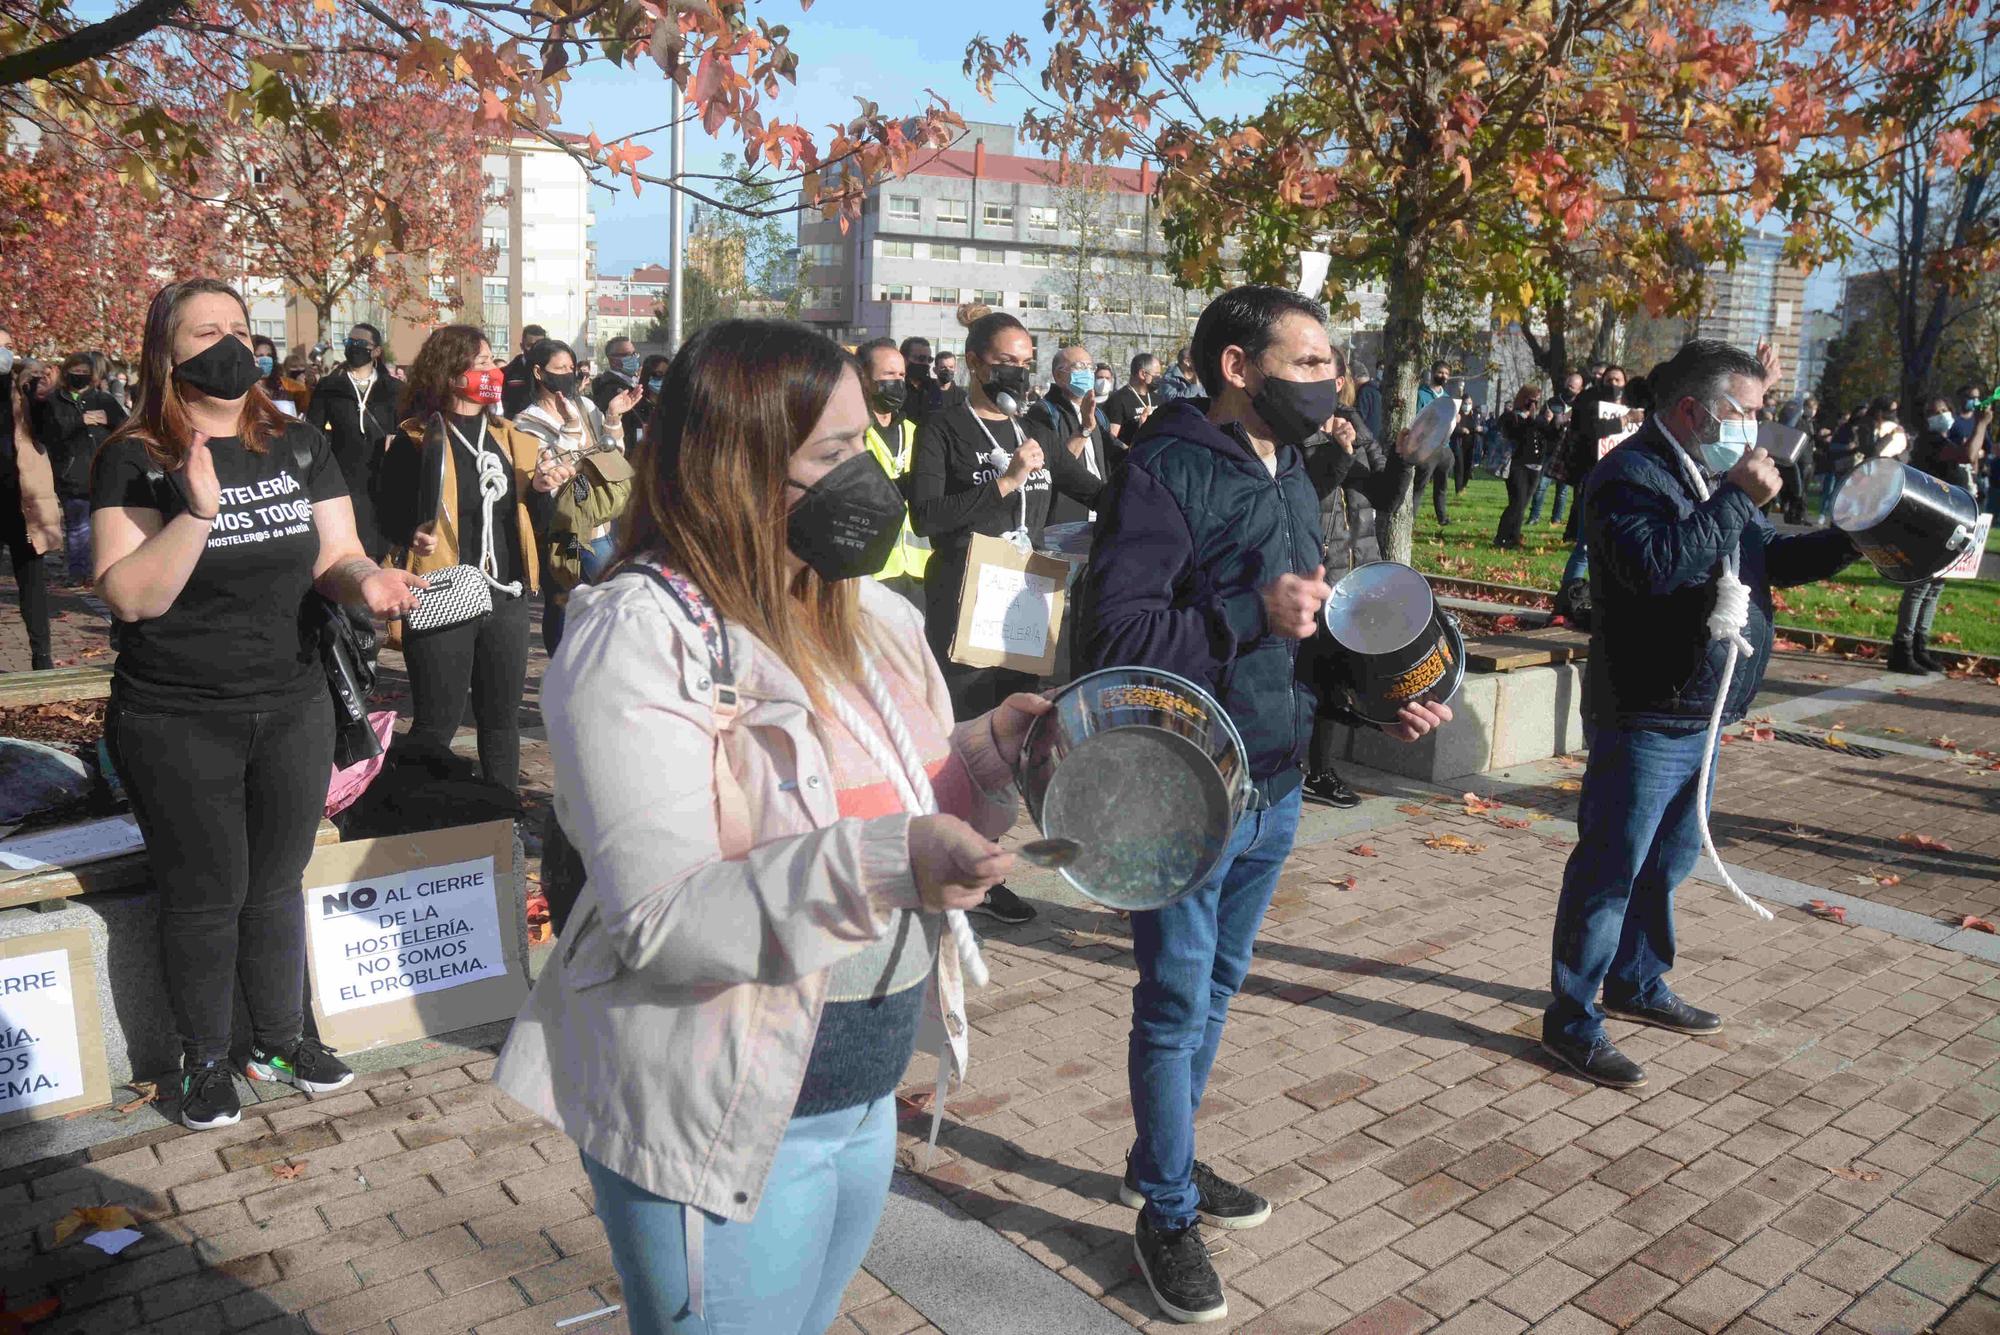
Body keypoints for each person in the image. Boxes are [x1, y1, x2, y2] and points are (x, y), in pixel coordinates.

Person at [491, 318, 1048, 1335]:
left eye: (866, 444)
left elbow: (902, 802)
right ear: (737, 468)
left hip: (861, 1089)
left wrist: (983, 761)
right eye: (834, 455)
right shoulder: (640, 635)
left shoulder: (867, 612)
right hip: (725, 1115)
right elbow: (662, 915)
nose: (869, 477)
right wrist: (894, 862)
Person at [1082, 285, 1448, 1324]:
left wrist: (1382, 700)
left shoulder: (1289, 465)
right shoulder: (1165, 466)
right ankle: (1163, 1207)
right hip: (1180, 786)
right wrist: (1249, 610)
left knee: (1218, 987)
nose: (1330, 381)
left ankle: (1170, 1163)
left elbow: (1311, 631)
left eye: (1330, 364)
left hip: (1277, 777)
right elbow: (1117, 640)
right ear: (1238, 368)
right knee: (1172, 998)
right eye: (1308, 363)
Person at [91, 278, 428, 1129]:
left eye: (240, 326)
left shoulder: (299, 440)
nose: (230, 343)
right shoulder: (134, 453)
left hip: (290, 701)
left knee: (277, 883)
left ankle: (280, 1037)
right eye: (206, 330)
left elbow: (337, 554)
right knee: (204, 892)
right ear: (165, 352)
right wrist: (196, 515)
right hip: (176, 714)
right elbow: (131, 597)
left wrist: (370, 581)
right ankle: (203, 1059)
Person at [1543, 339, 1858, 1090]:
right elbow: (1656, 568)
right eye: (1745, 413)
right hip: (1646, 714)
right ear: (1692, 411)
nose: (1754, 428)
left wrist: (1852, 541)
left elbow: (1762, 560)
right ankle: (1572, 1017)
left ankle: (1637, 979)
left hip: (1703, 715)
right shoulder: (1628, 475)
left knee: (1669, 860)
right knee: (1611, 870)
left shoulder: (1711, 473)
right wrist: (1737, 498)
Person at [910, 309, 1101, 927]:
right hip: (967, 604)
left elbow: (1097, 486)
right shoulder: (943, 427)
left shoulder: (1035, 425)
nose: (1015, 373)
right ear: (972, 362)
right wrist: (1007, 479)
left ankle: (987, 871)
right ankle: (945, 861)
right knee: (966, 738)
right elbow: (929, 518)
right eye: (1003, 363)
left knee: (1012, 743)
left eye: (1024, 362)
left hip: (1026, 601)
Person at [379, 325, 574, 792]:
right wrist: (414, 535)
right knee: (436, 723)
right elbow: (386, 515)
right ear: (450, 373)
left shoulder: (513, 440)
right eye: (482, 362)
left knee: (501, 721)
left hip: (505, 596)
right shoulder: (416, 440)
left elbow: (537, 522)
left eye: (492, 360)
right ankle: (427, 828)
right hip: (442, 592)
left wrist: (545, 491)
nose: (493, 370)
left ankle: (500, 821)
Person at [514, 339, 635, 654]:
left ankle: (589, 663)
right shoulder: (527, 422)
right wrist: (569, 429)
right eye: (560, 369)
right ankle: (563, 665)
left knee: (596, 592)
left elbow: (613, 454)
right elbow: (553, 476)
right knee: (565, 594)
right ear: (539, 373)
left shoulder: (585, 406)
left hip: (601, 521)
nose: (568, 375)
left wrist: (612, 418)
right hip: (564, 527)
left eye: (571, 368)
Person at [1299, 343, 1376, 810]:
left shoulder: (1353, 419)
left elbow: (1381, 487)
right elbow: (1309, 490)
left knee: (1333, 675)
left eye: (1333, 372)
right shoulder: (1296, 428)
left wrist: (1412, 457)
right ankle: (1310, 768)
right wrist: (1336, 449)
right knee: (1313, 673)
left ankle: (1321, 768)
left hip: (1357, 563)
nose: (1328, 381)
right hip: (1318, 567)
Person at [1891, 397, 1986, 674]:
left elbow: (1972, 462)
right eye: (1934, 412)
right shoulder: (1929, 442)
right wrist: (1981, 424)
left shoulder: (1950, 440)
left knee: (1935, 588)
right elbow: (1968, 456)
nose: (1941, 415)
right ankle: (1903, 648)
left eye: (1944, 410)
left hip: (1951, 520)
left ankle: (1921, 646)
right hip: (1930, 522)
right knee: (1920, 585)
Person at [30, 350, 127, 584]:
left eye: (84, 372)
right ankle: (79, 573)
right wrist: (79, 421)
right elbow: (47, 433)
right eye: (75, 371)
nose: (79, 376)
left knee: (104, 525)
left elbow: (125, 428)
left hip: (103, 472)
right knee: (77, 526)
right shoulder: (55, 401)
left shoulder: (104, 399)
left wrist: (109, 420)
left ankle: (105, 569)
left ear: (93, 375)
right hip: (70, 473)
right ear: (66, 373)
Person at [303, 322, 399, 558]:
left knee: (382, 544)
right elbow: (313, 432)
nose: (353, 347)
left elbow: (408, 427)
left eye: (360, 343)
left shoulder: (394, 389)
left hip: (385, 477)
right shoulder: (330, 387)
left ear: (376, 351)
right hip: (344, 476)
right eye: (350, 342)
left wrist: (398, 440)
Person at [854, 339, 930, 608]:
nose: (897, 382)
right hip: (869, 572)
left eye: (901, 375)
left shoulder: (915, 431)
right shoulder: (851, 433)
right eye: (888, 375)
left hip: (918, 572)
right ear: (864, 378)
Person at [2, 342, 59, 669]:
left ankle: (42, 657)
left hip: (25, 504)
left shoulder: (29, 395)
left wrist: (40, 400)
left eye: (7, 347)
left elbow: (50, 434)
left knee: (33, 584)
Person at [1029, 345, 1116, 525]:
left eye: (1090, 367)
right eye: (1079, 367)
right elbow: (1053, 467)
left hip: (1100, 509)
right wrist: (1084, 429)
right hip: (1064, 517)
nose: (1087, 373)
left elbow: (1113, 453)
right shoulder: (1044, 412)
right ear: (1058, 375)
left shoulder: (1098, 414)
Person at [1495, 385, 1553, 548]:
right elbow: (1516, 434)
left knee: (1523, 503)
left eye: (1536, 400)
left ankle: (1514, 536)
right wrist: (1530, 418)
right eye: (1530, 399)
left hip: (1536, 466)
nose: (1533, 403)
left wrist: (1551, 421)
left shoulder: (1539, 418)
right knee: (1517, 501)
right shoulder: (1511, 417)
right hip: (1517, 464)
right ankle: (1503, 536)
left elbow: (1549, 436)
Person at [590, 335, 649, 448]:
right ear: (612, 359)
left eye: (634, 353)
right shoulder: (609, 388)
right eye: (628, 355)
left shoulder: (631, 382)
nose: (634, 358)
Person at [1104, 353, 1161, 442]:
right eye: (1156, 374)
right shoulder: (1118, 400)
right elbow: (1111, 439)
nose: (1159, 378)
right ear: (1143, 374)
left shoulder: (1158, 399)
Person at [500, 323, 548, 417]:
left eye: (538, 345)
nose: (534, 349)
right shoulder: (506, 373)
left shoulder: (550, 373)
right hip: (514, 425)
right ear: (522, 346)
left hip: (542, 425)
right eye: (530, 345)